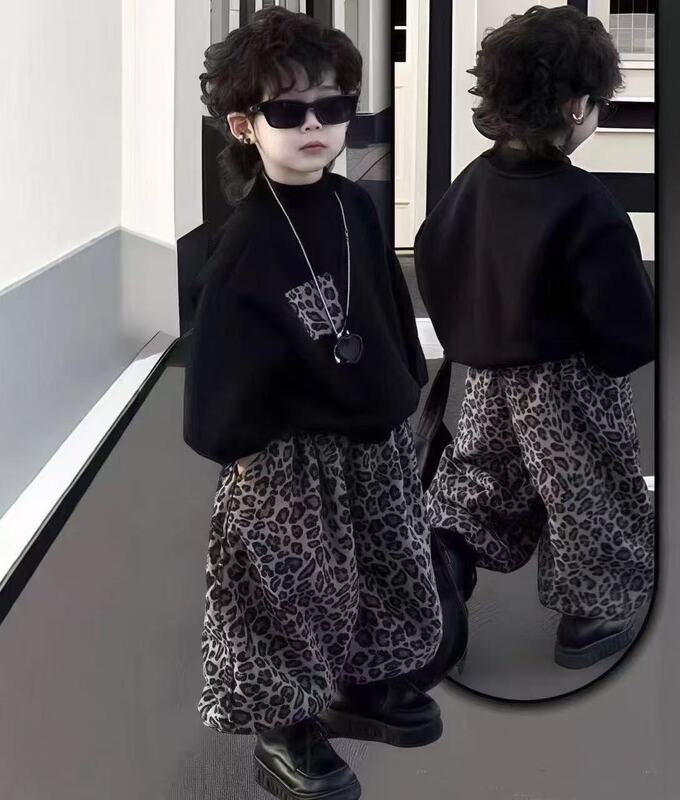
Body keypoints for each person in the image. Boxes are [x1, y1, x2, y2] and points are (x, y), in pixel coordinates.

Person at [184, 9, 443, 800]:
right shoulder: (244, 243)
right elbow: (219, 365)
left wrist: (403, 385)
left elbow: (386, 303)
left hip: (371, 434)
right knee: (291, 585)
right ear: (244, 125)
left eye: (331, 107)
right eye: (287, 111)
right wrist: (245, 448)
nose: (313, 126)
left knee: (388, 554)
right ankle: (285, 725)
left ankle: (366, 679)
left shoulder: (354, 205)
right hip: (287, 454)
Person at [414, 5, 655, 671]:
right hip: (570, 386)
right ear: (577, 106)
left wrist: (472, 333)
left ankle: (446, 562)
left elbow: (434, 254)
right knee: (588, 488)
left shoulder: (472, 183)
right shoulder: (586, 205)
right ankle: (593, 612)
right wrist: (619, 350)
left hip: (487, 377)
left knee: (482, 472)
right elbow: (626, 325)